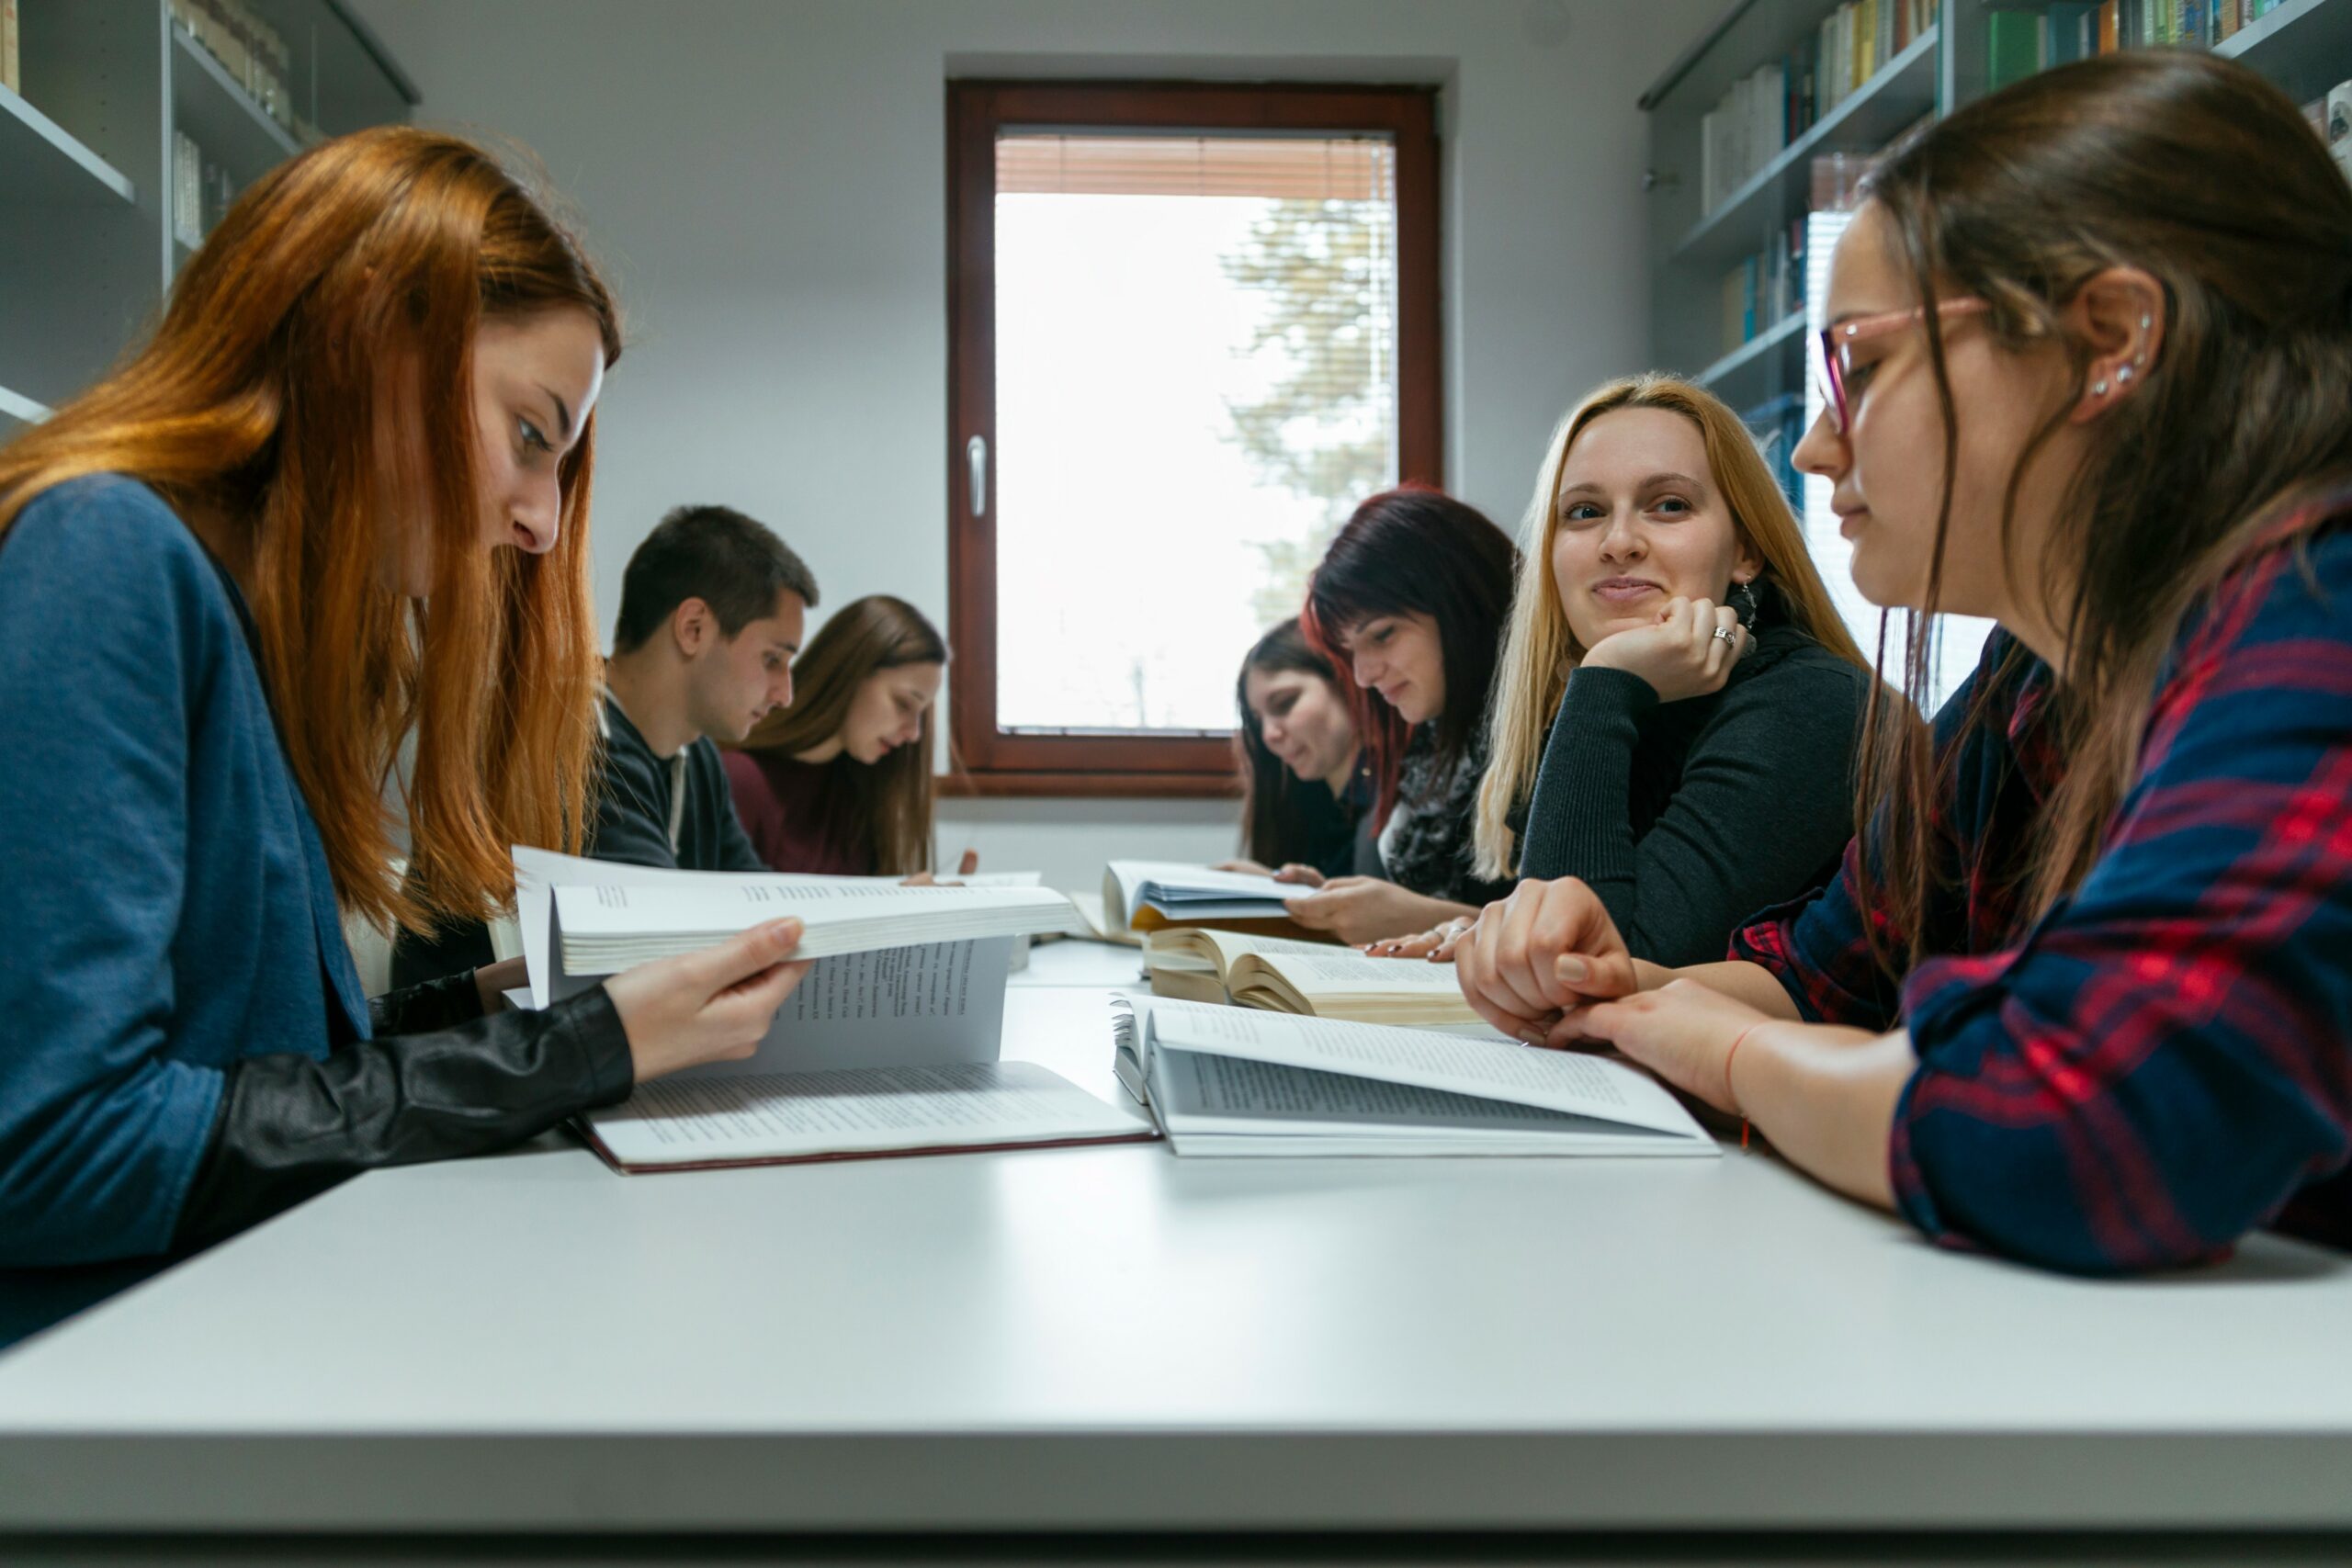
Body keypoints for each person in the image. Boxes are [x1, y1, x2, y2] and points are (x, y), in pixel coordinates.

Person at [1453, 52, 2352, 1274]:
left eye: (1862, 369)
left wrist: (1721, 1053)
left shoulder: (2316, 618)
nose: (1817, 447)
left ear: (2109, 340)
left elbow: (2073, 1127)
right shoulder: (2033, 678)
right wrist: (1607, 988)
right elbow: (1825, 976)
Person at [0, 128, 811, 1344]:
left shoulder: (234, 623)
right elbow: (58, 1141)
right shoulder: (105, 555)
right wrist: (576, 1050)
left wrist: (495, 1005)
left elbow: (263, 1064)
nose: (541, 525)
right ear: (373, 334)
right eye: (531, 434)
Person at [1387, 377, 1873, 967]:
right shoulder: (1641, 708)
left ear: (1746, 551)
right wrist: (1486, 929)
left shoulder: (1811, 704)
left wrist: (1605, 680)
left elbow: (1582, 965)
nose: (1618, 542)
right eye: (1585, 512)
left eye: (1669, 505)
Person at [391, 502, 815, 987]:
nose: (785, 694)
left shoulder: (695, 755)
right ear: (693, 628)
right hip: (469, 1026)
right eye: (773, 659)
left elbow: (753, 900)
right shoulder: (572, 738)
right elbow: (663, 952)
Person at [1288, 486, 1520, 944]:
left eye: (1382, 635)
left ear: (1460, 601)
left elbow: (1588, 941)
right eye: (1350, 651)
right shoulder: (1431, 742)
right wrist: (1326, 900)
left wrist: (1418, 919)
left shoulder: (1555, 729)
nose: (1363, 675)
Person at [723, 594, 976, 878]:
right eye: (904, 703)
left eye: (921, 714)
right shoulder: (739, 779)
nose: (914, 734)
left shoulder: (862, 790)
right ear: (849, 673)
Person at [1218, 618, 1371, 884]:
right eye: (1258, 721)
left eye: (1284, 703)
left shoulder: (1403, 808)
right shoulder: (1306, 808)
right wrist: (1270, 886)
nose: (1269, 735)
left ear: (1345, 680)